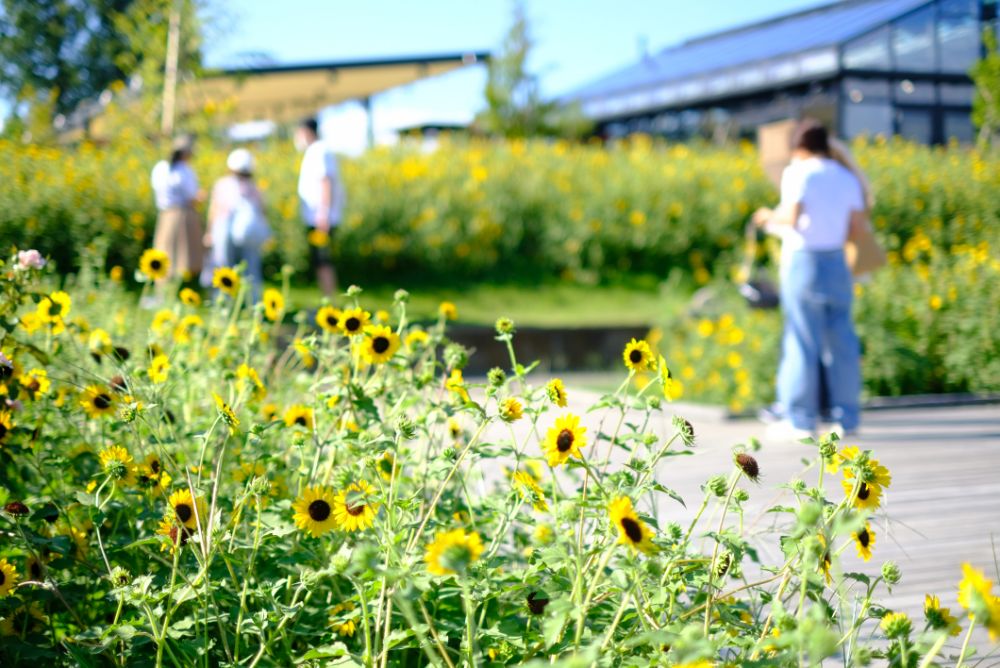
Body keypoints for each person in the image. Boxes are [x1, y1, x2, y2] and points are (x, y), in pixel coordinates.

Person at [753, 119, 866, 440]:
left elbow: (791, 218)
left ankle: (799, 419)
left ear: (798, 147)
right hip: (837, 261)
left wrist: (765, 217)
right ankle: (847, 417)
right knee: (842, 340)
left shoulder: (797, 172)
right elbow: (856, 228)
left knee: (802, 341)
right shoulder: (846, 176)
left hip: (805, 261)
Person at [204, 148, 271, 300]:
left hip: (223, 228)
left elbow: (214, 209)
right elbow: (263, 211)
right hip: (248, 233)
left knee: (223, 267)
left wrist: (209, 232)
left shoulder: (223, 184)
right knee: (251, 267)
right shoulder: (255, 188)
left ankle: (223, 301)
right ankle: (253, 302)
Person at [295, 117, 345, 296]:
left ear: (306, 131)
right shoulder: (315, 151)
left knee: (323, 260)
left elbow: (325, 181)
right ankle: (327, 299)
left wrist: (323, 213)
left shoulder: (319, 151)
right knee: (319, 261)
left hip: (321, 218)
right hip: (317, 217)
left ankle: (330, 301)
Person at [151, 134, 204, 284]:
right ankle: (179, 286)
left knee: (164, 250)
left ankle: (162, 287)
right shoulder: (184, 171)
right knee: (181, 255)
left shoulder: (160, 167)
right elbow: (192, 197)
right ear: (187, 153)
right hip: (182, 215)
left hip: (165, 214)